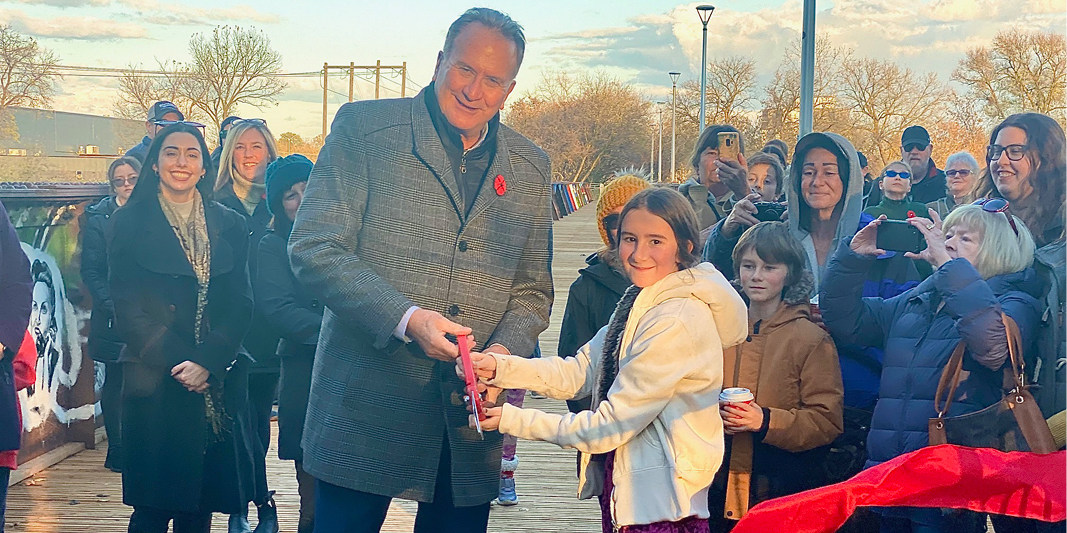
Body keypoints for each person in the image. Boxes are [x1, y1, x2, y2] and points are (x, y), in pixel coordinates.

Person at [287, 8, 553, 533]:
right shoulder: (364, 129)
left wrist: (499, 357)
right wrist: (406, 318)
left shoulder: (530, 164)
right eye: (465, 69)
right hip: (364, 408)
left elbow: (532, 291)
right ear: (438, 63)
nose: (475, 90)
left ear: (510, 88)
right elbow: (314, 247)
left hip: (467, 421)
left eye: (493, 79)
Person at [462, 187, 748, 533]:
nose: (639, 253)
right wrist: (499, 368)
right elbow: (580, 370)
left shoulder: (675, 319)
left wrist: (510, 419)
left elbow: (608, 426)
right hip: (631, 494)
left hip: (664, 508)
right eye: (630, 238)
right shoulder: (641, 299)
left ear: (685, 247)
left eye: (655, 241)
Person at [820, 203, 1042, 533]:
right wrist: (853, 259)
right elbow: (846, 321)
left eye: (965, 238)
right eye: (947, 235)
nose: (948, 243)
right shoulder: (918, 298)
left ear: (999, 250)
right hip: (888, 475)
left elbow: (993, 348)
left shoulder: (1017, 302)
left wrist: (949, 269)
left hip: (950, 488)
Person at [109, 123, 256, 533]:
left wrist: (208, 361)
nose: (182, 162)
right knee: (152, 509)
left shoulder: (228, 222)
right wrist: (185, 361)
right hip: (155, 376)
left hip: (213, 380)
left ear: (205, 167)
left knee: (199, 508)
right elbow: (126, 305)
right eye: (171, 152)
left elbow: (242, 302)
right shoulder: (128, 221)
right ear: (155, 164)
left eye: (193, 154)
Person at [708, 222, 843, 531]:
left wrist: (765, 420)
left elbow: (827, 421)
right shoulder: (717, 328)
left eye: (769, 267)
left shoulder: (810, 338)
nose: (756, 276)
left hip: (781, 487)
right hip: (714, 480)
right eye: (748, 265)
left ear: (789, 273)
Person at [213, 117, 280, 533]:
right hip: (231, 328)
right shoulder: (215, 200)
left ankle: (253, 499)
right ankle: (254, 502)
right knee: (238, 421)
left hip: (272, 329)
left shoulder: (286, 200)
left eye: (257, 146)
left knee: (257, 420)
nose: (249, 154)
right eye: (240, 146)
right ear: (229, 154)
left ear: (269, 152)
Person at [254, 154, 320, 533]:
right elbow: (278, 309)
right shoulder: (272, 244)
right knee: (310, 490)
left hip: (351, 368)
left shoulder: (344, 236)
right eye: (290, 195)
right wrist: (335, 331)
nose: (301, 198)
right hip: (304, 366)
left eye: (307, 189)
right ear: (278, 204)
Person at [80, 156, 140, 473]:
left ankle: (143, 445)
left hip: (149, 312)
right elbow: (91, 270)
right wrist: (112, 305)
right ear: (112, 185)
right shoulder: (98, 218)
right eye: (120, 180)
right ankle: (117, 449)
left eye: (132, 178)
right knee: (116, 379)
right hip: (112, 314)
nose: (127, 185)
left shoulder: (155, 211)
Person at [678, 125, 751, 234]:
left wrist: (743, 192)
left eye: (728, 154)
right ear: (697, 163)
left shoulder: (754, 199)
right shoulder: (679, 202)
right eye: (712, 153)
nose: (720, 160)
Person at [863, 161, 930, 220]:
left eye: (904, 175)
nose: (897, 177)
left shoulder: (921, 211)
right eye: (891, 173)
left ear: (909, 186)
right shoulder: (870, 213)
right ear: (881, 184)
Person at [927, 151, 979, 220]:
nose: (957, 176)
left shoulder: (981, 207)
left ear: (975, 176)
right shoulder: (932, 209)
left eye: (963, 172)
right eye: (952, 173)